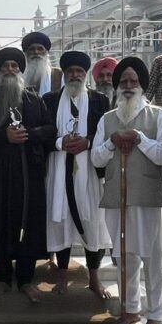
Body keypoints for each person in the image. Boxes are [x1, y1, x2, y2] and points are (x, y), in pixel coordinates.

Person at [91, 56, 162, 324]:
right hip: (116, 198)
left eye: (133, 81)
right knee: (125, 257)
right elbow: (96, 160)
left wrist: (139, 138)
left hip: (147, 198)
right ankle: (130, 309)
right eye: (123, 81)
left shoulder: (159, 116)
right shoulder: (107, 119)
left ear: (142, 85)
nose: (127, 85)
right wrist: (112, 143)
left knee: (152, 258)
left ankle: (156, 313)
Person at [0, 47, 56, 302]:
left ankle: (25, 279)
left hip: (28, 174)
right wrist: (3, 136)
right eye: (5, 67)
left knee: (28, 222)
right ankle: (1, 277)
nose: (10, 70)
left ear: (21, 71)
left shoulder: (34, 100)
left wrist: (29, 134)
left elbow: (50, 129)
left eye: (14, 66)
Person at [43, 50, 113, 297]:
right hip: (58, 168)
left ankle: (94, 277)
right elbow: (42, 134)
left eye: (79, 71)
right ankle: (61, 276)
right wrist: (61, 142)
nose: (75, 75)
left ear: (85, 75)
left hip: (91, 171)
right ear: (64, 74)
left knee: (93, 222)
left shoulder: (99, 101)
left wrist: (88, 142)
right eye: (70, 71)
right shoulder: (50, 100)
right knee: (61, 221)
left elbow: (106, 134)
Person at [21, 31, 62, 96]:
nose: (36, 52)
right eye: (32, 49)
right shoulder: (20, 77)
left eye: (40, 49)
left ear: (46, 52)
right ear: (26, 53)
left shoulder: (58, 75)